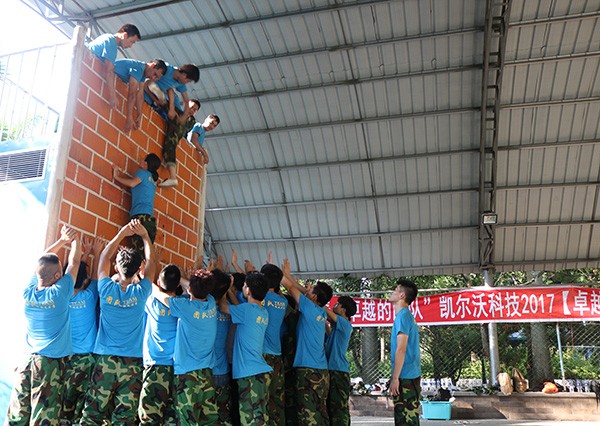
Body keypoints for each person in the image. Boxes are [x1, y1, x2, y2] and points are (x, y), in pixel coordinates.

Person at [79, 219, 156, 425]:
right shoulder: (141, 293)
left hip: (104, 359)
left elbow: (104, 256)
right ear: (139, 268)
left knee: (93, 413)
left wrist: (122, 233)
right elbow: (152, 265)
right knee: (125, 416)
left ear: (116, 267)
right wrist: (146, 237)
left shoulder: (105, 289)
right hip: (132, 362)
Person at [6, 225, 81, 425]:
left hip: (26, 361)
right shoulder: (60, 292)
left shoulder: (28, 291)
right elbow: (74, 262)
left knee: (17, 415)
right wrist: (75, 241)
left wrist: (62, 241)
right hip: (48, 364)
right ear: (57, 277)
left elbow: (41, 261)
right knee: (43, 417)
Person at [152, 268, 219, 425]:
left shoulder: (185, 307)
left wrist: (146, 279)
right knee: (209, 419)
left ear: (190, 290)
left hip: (187, 374)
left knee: (187, 420)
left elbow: (161, 296)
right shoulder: (210, 303)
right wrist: (185, 278)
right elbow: (197, 288)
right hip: (207, 373)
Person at [281, 258, 332, 426]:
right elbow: (300, 290)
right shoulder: (321, 312)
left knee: (307, 416)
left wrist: (279, 272)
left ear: (314, 296)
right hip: (322, 372)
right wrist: (288, 275)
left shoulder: (309, 308)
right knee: (320, 412)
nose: (306, 290)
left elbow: (289, 287)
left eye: (309, 290)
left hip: (308, 371)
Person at [219, 272, 272, 426]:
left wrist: (225, 290)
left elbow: (223, 307)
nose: (242, 287)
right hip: (260, 372)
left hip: (249, 374)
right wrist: (230, 291)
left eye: (244, 285)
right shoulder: (262, 312)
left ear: (248, 290)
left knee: (250, 420)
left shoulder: (247, 310)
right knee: (259, 418)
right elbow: (239, 309)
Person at [61, 236, 105, 425]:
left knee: (65, 404)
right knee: (84, 406)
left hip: (67, 359)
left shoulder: (60, 299)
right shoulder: (89, 296)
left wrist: (83, 255)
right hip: (89, 359)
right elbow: (95, 277)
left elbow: (77, 276)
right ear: (84, 280)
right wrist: (94, 252)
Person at [138, 264, 182, 425]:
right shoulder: (182, 304)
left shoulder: (151, 301)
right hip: (176, 368)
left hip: (155, 367)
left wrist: (143, 274)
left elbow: (146, 287)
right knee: (171, 416)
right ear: (178, 285)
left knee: (149, 417)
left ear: (158, 281)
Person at [112, 153, 161, 253]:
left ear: (147, 164)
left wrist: (117, 176)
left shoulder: (142, 173)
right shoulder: (153, 179)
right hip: (150, 219)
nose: (141, 160)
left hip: (140, 217)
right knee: (146, 253)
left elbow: (132, 183)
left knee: (137, 253)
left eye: (144, 159)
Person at [388, 279, 421, 426]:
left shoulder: (403, 316)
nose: (392, 292)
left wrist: (395, 378)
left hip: (406, 376)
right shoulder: (404, 316)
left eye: (395, 290)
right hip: (407, 375)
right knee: (403, 418)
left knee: (407, 419)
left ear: (402, 295)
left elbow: (401, 349)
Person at [260, 263, 288, 425]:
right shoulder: (282, 302)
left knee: (262, 399)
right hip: (277, 355)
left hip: (263, 356)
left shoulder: (261, 299)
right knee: (277, 400)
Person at [87, 24, 141, 108]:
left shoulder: (107, 37)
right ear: (125, 35)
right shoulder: (111, 42)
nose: (130, 46)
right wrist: (112, 96)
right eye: (131, 41)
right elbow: (109, 71)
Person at [325, 296, 357, 426]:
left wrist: (315, 298)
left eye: (337, 304)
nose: (334, 306)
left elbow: (323, 309)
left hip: (338, 371)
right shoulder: (336, 327)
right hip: (334, 370)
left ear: (343, 310)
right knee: (334, 407)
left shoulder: (344, 323)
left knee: (338, 409)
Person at [113, 58, 167, 132]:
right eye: (155, 74)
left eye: (156, 77)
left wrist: (139, 114)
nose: (152, 78)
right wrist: (129, 117)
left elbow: (140, 94)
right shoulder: (139, 68)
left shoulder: (143, 75)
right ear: (152, 65)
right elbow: (132, 93)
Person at [210, 268, 234, 426]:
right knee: (224, 416)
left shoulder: (204, 309)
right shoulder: (229, 311)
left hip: (207, 372)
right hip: (224, 370)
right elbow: (224, 302)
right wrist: (227, 288)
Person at [158, 98, 201, 188]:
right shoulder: (189, 120)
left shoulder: (189, 120)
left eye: (195, 110)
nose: (192, 110)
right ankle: (172, 176)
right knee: (170, 148)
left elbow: (168, 106)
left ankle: (173, 177)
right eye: (191, 107)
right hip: (173, 139)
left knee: (170, 147)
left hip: (172, 138)